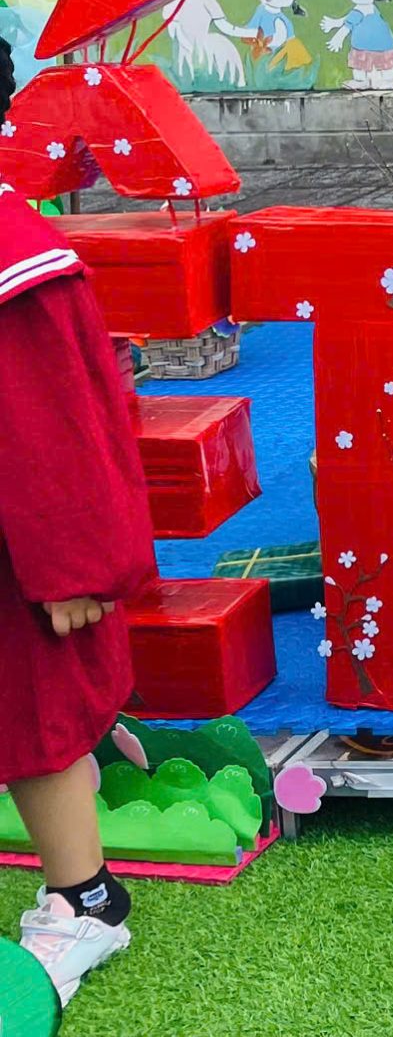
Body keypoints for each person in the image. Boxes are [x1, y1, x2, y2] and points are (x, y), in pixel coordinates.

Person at [0, 187, 153, 1007]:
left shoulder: (16, 262)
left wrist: (75, 566)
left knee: (34, 714)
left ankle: (83, 897)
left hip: (20, 553)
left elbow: (57, 423)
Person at [216, 0, 312, 74]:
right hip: (263, 51)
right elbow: (251, 30)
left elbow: (279, 40)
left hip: (282, 55)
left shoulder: (279, 20)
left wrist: (262, 43)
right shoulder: (261, 9)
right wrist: (231, 29)